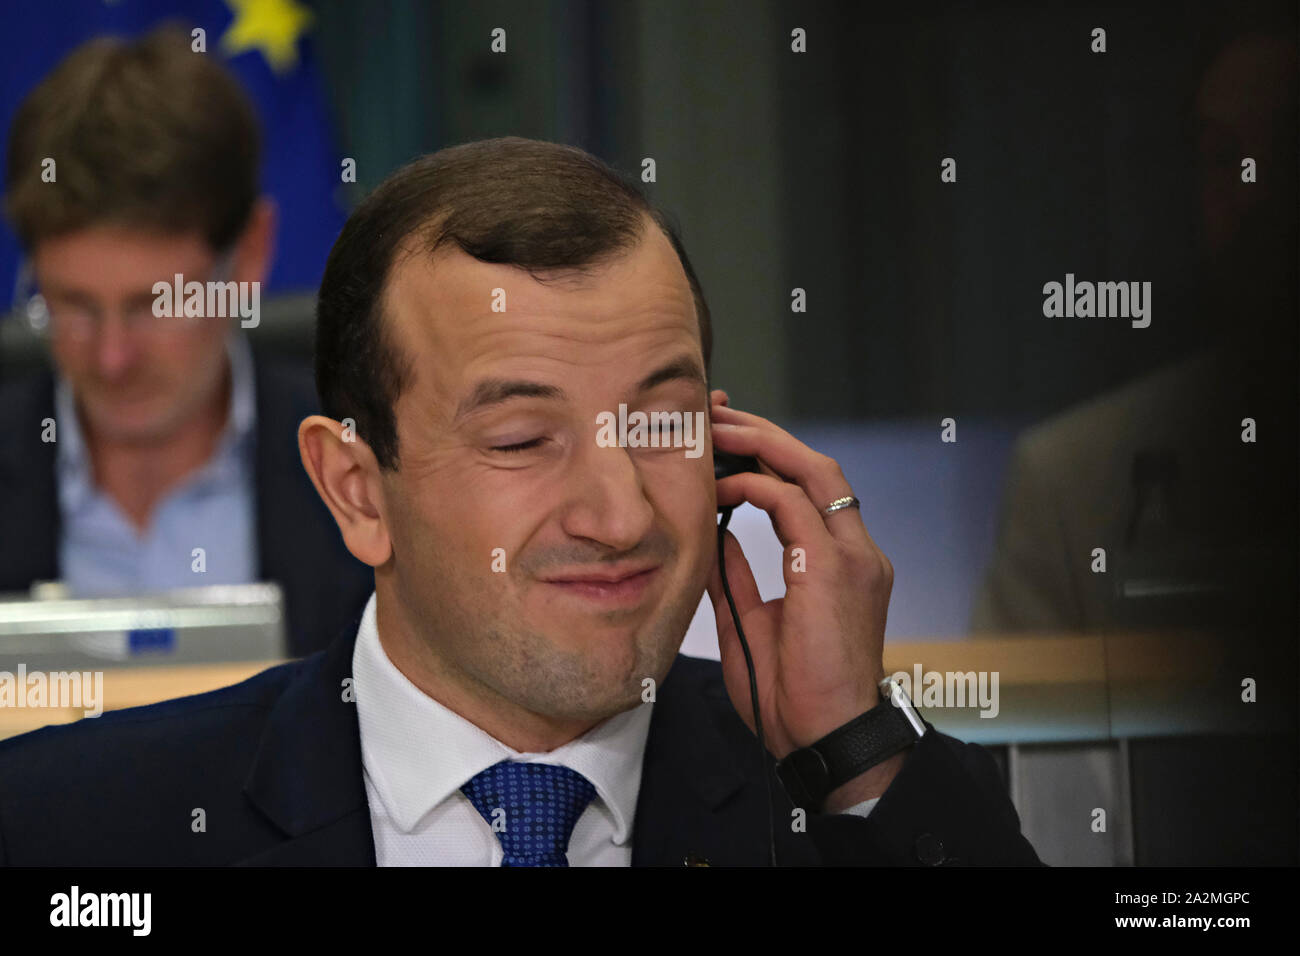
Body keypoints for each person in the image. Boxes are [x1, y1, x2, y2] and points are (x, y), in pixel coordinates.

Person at [0, 137, 1041, 866]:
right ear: (357, 490)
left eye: (659, 424)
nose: (619, 513)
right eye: (521, 439)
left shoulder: (864, 801)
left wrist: (848, 749)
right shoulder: (73, 823)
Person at [0, 27, 371, 655]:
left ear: (251, 254)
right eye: (73, 305)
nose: (112, 357)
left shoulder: (371, 472)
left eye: (156, 304)